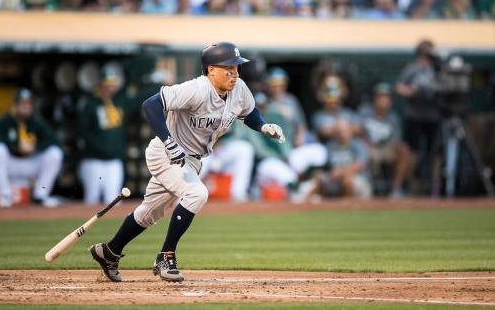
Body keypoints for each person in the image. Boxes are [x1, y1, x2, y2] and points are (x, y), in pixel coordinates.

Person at [89, 42, 285, 283]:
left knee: (149, 213)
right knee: (196, 194)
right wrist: (169, 141)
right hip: (166, 153)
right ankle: (165, 256)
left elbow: (249, 111)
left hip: (191, 160)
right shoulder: (196, 89)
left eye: (236, 67)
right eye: (228, 68)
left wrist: (263, 126)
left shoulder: (239, 89)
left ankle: (109, 252)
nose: (234, 73)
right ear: (211, 70)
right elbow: (150, 105)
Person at [77, 68, 155, 206]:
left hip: (114, 160)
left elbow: (140, 98)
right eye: (107, 84)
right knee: (91, 200)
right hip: (93, 159)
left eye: (113, 84)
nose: (110, 88)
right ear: (100, 85)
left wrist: (161, 85)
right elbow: (83, 132)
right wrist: (101, 148)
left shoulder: (120, 102)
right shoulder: (90, 104)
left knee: (113, 201)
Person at [0, 89, 63, 208]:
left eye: (28, 104)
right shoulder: (4, 121)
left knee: (55, 154)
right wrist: (16, 146)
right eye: (22, 104)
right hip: (11, 163)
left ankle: (40, 196)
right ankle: (5, 195)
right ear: (15, 105)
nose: (26, 107)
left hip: (30, 162)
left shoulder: (36, 121)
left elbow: (54, 140)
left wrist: (35, 148)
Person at [395, 39, 441, 193]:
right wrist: (411, 91)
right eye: (424, 52)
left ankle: (435, 189)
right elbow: (399, 87)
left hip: (433, 115)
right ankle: (408, 186)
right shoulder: (413, 68)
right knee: (411, 151)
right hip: (415, 114)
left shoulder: (438, 69)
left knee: (435, 152)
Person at [359, 82, 411, 197]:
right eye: (381, 97)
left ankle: (396, 189)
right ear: (375, 99)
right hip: (368, 148)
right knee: (364, 150)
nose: (384, 100)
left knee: (404, 150)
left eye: (386, 97)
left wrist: (384, 148)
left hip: (386, 149)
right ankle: (366, 188)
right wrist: (368, 145)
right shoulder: (364, 113)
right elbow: (358, 133)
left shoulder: (393, 117)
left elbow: (396, 141)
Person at [301, 119, 372, 202]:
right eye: (338, 132)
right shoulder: (329, 147)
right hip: (334, 179)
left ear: (350, 131)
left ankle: (346, 207)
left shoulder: (358, 146)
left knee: (347, 180)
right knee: (318, 179)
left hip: (357, 179)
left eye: (344, 131)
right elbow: (325, 167)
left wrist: (340, 172)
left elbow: (358, 166)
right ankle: (303, 203)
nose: (341, 135)